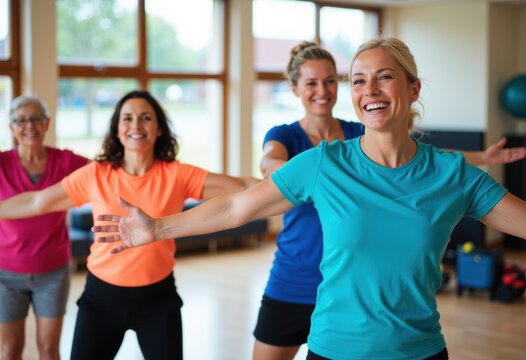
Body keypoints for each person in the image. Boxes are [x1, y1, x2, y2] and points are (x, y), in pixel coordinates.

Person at [93, 38, 526, 360]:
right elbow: (235, 207)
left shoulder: (451, 175)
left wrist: (479, 157)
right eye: (359, 80)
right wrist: (158, 227)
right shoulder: (323, 163)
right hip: (333, 347)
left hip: (418, 350)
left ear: (413, 89)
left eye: (385, 77)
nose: (369, 89)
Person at [253, 41, 526, 359]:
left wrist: (481, 156)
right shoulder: (297, 145)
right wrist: (307, 180)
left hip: (363, 285)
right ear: (295, 88)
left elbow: (424, 159)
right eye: (311, 82)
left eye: (330, 80)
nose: (323, 90)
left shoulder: (362, 130)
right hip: (296, 279)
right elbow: (268, 166)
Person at [0, 89, 259, 360]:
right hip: (101, 298)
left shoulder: (177, 174)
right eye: (127, 118)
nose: (135, 125)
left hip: (158, 299)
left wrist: (297, 183)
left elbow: (240, 187)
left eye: (145, 118)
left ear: (159, 128)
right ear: (117, 128)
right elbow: (35, 203)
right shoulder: (96, 174)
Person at [0, 95, 89, 360]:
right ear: (11, 128)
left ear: (47, 123)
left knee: (49, 349)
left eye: (36, 118)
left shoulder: (66, 162)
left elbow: (104, 172)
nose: (29, 125)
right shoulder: (1, 164)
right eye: (21, 120)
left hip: (52, 272)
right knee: (9, 350)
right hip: (5, 273)